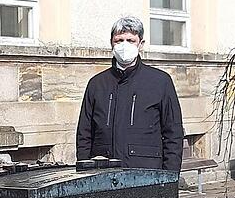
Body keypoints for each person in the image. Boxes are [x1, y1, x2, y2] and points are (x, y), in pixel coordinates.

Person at [76, 16, 184, 171]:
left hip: (145, 173)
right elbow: (84, 133)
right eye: (119, 40)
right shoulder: (97, 84)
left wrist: (170, 177)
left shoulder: (160, 81)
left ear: (141, 44)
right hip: (104, 173)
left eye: (130, 40)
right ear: (111, 43)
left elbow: (173, 133)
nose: (124, 45)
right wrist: (84, 170)